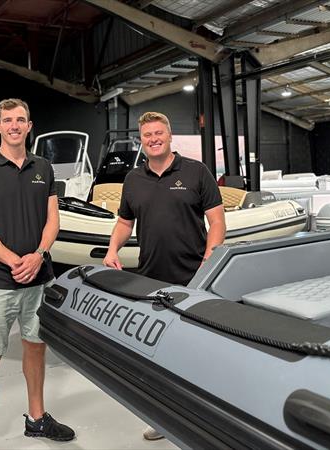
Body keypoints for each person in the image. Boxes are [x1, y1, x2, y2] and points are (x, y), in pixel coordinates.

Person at [103, 111, 226, 440]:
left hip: (194, 276)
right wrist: (112, 249)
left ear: (170, 136)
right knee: (160, 352)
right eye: (147, 135)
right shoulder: (133, 180)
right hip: (151, 279)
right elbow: (125, 223)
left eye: (159, 133)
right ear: (141, 141)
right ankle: (164, 417)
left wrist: (209, 259)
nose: (154, 139)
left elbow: (216, 221)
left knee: (198, 349)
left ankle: (205, 416)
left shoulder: (196, 172)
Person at [0, 98, 74, 450]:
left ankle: (37, 419)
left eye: (20, 120)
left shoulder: (44, 166)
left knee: (36, 348)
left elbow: (52, 218)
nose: (14, 125)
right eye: (7, 120)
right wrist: (16, 260)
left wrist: (39, 255)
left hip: (40, 278)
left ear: (29, 126)